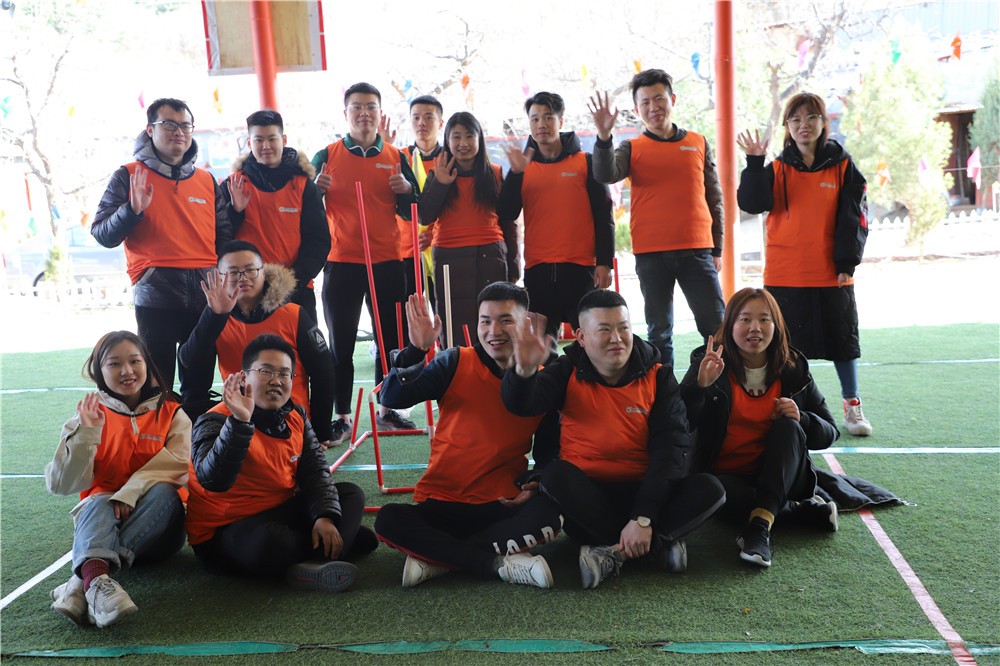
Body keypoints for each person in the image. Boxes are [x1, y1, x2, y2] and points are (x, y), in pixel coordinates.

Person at [502, 290, 725, 589]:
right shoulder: (566, 370)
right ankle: (658, 548)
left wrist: (643, 517)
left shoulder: (658, 376)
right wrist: (524, 371)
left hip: (647, 492)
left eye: (623, 327)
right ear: (581, 337)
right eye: (605, 329)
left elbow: (670, 449)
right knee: (555, 476)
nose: (617, 338)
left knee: (711, 489)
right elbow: (523, 405)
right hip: (588, 500)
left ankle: (611, 553)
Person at [374, 284, 561, 589]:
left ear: (525, 322)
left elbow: (549, 453)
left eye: (505, 320)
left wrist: (536, 483)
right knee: (389, 519)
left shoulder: (543, 378)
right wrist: (416, 349)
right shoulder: (455, 361)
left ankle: (438, 556)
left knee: (552, 513)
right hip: (441, 501)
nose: (493, 331)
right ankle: (494, 563)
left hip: (501, 505)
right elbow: (393, 397)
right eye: (485, 321)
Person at [186, 334, 376, 591]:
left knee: (351, 494)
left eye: (285, 374)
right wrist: (240, 422)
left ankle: (317, 559)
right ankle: (329, 550)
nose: (276, 380)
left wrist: (325, 517)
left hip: (279, 511)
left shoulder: (295, 415)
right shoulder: (213, 420)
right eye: (266, 371)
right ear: (244, 377)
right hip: (225, 529)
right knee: (270, 544)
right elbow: (214, 480)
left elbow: (315, 472)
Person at [737, 92, 872, 436]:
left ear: (824, 123)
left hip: (832, 273)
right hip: (785, 274)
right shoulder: (776, 168)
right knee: (783, 348)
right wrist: (754, 162)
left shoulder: (844, 167)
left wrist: (847, 261)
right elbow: (751, 203)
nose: (803, 125)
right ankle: (781, 405)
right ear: (787, 126)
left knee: (843, 342)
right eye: (795, 119)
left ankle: (852, 405)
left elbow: (856, 218)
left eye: (811, 117)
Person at [680, 288, 840, 568]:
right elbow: (678, 426)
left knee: (788, 427)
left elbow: (830, 432)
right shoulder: (708, 363)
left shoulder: (793, 368)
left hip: (784, 476)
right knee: (711, 494)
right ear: (730, 325)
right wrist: (699, 388)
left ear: (776, 327)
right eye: (745, 319)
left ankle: (758, 528)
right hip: (726, 478)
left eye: (764, 319)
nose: (755, 327)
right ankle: (796, 511)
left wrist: (803, 418)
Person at [45, 331, 189, 628]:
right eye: (114, 363)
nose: (127, 371)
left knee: (165, 491)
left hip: (161, 533)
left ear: (147, 364)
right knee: (97, 501)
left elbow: (179, 464)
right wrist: (86, 435)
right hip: (101, 525)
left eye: (135, 361)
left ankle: (81, 579)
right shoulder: (87, 417)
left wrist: (130, 491)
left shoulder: (172, 413)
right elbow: (60, 484)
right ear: (99, 370)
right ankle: (97, 580)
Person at [92, 98, 232, 390]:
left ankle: (196, 421)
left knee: (200, 384)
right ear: (150, 129)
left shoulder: (207, 180)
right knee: (157, 387)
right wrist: (132, 210)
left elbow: (225, 237)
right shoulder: (128, 175)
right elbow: (102, 234)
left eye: (185, 126)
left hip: (205, 294)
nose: (178, 132)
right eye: (168, 124)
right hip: (156, 295)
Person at [590, 69, 725, 367]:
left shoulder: (698, 142)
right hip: (651, 255)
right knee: (659, 332)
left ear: (672, 99)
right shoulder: (631, 147)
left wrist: (717, 247)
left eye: (659, 99)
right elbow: (605, 173)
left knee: (716, 327)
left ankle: (719, 385)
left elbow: (714, 198)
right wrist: (604, 137)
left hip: (697, 251)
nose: (653, 107)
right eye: (645, 102)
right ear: (637, 109)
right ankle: (664, 389)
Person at [312, 82, 420, 444]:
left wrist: (407, 190)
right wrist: (315, 191)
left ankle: (387, 409)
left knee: (390, 340)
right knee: (340, 344)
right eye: (356, 107)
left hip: (387, 262)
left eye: (370, 107)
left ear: (380, 112)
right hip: (342, 262)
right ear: (346, 114)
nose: (364, 113)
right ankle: (342, 416)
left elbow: (415, 208)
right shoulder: (326, 155)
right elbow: (306, 210)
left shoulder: (396, 156)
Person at [177, 240, 335, 447]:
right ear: (220, 277)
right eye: (233, 272)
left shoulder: (293, 314)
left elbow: (324, 373)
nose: (242, 278)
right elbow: (189, 362)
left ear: (263, 272)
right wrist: (214, 315)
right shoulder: (215, 317)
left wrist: (320, 431)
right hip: (240, 422)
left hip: (291, 423)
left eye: (250, 270)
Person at [498, 91, 615, 339]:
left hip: (581, 268)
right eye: (535, 119)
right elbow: (507, 212)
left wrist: (605, 262)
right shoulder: (522, 167)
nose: (541, 124)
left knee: (589, 340)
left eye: (548, 117)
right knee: (540, 345)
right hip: (537, 269)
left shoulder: (586, 161)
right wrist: (515, 175)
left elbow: (604, 215)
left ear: (560, 121)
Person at [418, 111, 519, 347]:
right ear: (447, 140)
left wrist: (514, 264)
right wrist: (441, 184)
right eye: (456, 137)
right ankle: (456, 366)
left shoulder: (495, 172)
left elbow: (508, 221)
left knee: (493, 320)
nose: (463, 143)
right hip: (449, 257)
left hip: (490, 254)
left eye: (469, 136)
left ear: (479, 139)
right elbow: (425, 215)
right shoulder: (438, 172)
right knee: (453, 325)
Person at [221, 109, 330, 324]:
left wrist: (290, 281)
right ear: (249, 142)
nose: (266, 146)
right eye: (258, 140)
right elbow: (219, 239)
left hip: (296, 288)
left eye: (272, 139)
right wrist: (234, 210)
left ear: (284, 140)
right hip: (244, 291)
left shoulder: (304, 186)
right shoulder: (233, 184)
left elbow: (319, 242)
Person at [398, 95, 445, 312]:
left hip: (441, 250)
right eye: (416, 117)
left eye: (428, 117)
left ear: (440, 123)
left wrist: (435, 233)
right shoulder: (397, 157)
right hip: (406, 251)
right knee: (407, 316)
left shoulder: (450, 160)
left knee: (443, 314)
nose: (421, 123)